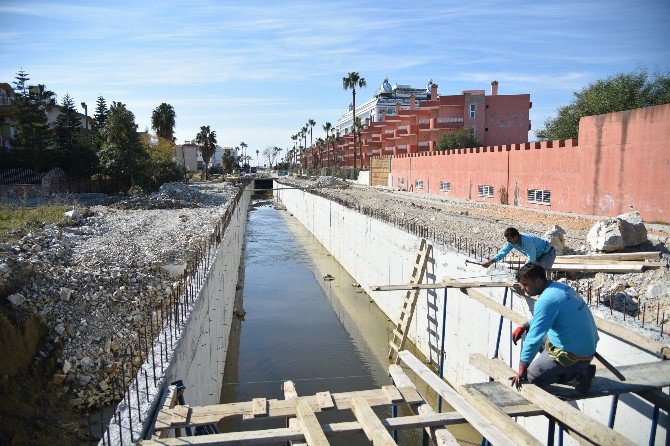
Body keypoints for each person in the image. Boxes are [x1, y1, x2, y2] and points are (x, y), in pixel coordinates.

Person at [509, 263, 599, 392]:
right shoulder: (559, 288)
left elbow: (534, 338)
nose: (523, 288)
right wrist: (524, 326)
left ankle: (578, 373)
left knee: (532, 377)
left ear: (538, 281)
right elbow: (543, 317)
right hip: (585, 344)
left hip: (575, 354)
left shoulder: (546, 300)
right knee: (533, 330)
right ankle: (556, 365)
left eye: (525, 284)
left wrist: (522, 368)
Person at [481, 227, 556, 270]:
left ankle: (547, 289)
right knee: (533, 272)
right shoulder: (511, 242)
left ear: (516, 237)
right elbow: (503, 252)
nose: (508, 241)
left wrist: (522, 270)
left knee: (541, 271)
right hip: (537, 254)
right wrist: (492, 261)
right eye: (507, 239)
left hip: (547, 253)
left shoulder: (527, 241)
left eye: (509, 239)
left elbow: (531, 258)